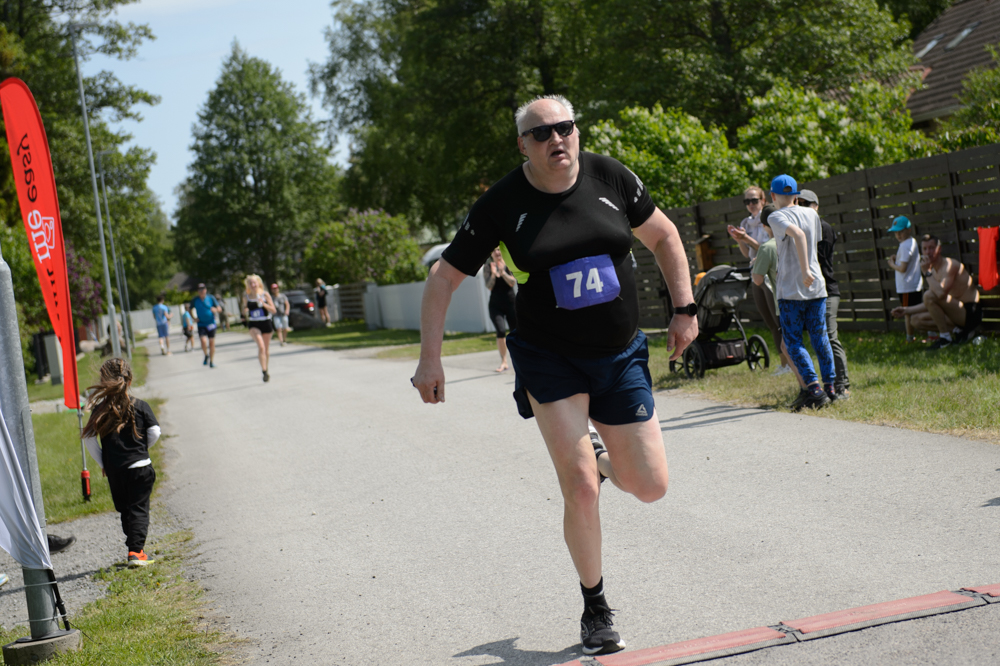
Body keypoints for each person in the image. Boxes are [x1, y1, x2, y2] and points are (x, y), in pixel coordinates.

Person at [412, 95, 697, 656]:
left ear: (577, 131)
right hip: (549, 357)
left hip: (619, 354)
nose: (555, 139)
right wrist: (430, 358)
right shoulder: (501, 203)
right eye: (540, 133)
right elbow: (443, 277)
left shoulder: (610, 177)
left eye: (564, 128)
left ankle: (605, 460)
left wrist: (685, 309)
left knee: (651, 486)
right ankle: (596, 608)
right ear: (523, 145)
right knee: (580, 486)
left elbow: (664, 236)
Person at [82, 357, 160, 568]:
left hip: (115, 471)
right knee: (138, 509)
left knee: (126, 510)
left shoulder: (99, 410)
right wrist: (141, 449)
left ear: (104, 381)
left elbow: (89, 439)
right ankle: (136, 551)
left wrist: (104, 462)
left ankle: (134, 548)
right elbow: (155, 432)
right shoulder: (140, 405)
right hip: (140, 467)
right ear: (129, 380)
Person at [766, 174, 835, 410]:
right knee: (820, 338)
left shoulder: (776, 216)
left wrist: (804, 269)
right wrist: (809, 269)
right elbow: (813, 242)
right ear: (796, 195)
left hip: (791, 290)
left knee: (793, 342)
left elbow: (799, 235)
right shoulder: (812, 214)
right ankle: (831, 387)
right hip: (816, 287)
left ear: (773, 195)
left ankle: (814, 389)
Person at [798, 190, 850, 400]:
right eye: (798, 204)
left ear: (816, 206)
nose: (802, 207)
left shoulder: (823, 227)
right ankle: (817, 386)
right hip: (807, 293)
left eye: (806, 204)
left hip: (827, 291)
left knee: (829, 335)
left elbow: (815, 259)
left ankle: (842, 385)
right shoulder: (798, 228)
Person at [891, 234, 982, 349]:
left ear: (939, 249)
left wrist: (926, 273)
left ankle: (945, 338)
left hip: (969, 312)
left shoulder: (950, 265)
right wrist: (906, 310)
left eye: (931, 248)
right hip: (953, 312)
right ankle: (960, 332)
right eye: (925, 249)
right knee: (915, 320)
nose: (928, 252)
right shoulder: (933, 271)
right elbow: (930, 302)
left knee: (928, 294)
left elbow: (940, 294)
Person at [749, 205, 796, 376]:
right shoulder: (795, 240)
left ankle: (787, 365)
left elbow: (758, 279)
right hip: (799, 294)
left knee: (777, 328)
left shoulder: (767, 247)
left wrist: (757, 265)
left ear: (764, 226)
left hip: (777, 295)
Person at [885, 216, 923, 342]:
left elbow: (902, 268)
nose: (898, 235)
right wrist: (897, 258)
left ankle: (910, 338)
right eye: (896, 232)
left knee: (906, 313)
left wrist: (891, 264)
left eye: (901, 231)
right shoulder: (911, 242)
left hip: (906, 287)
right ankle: (931, 334)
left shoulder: (904, 246)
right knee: (918, 310)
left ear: (909, 230)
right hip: (914, 284)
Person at [484, 247, 518, 372]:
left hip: (510, 304)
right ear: (491, 254)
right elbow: (489, 286)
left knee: (515, 331)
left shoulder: (508, 264)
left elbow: (513, 282)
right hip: (495, 305)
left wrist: (503, 273)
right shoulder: (488, 267)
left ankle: (518, 360)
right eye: (494, 251)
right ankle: (504, 362)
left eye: (498, 250)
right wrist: (494, 274)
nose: (497, 252)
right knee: (501, 330)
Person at [242, 274, 277, 382]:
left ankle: (266, 368)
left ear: (258, 283)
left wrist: (264, 304)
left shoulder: (265, 294)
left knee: (266, 349)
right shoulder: (246, 297)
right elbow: (244, 310)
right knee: (261, 347)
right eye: (250, 283)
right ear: (248, 285)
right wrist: (245, 311)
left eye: (254, 282)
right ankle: (264, 371)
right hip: (254, 324)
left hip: (266, 322)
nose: (253, 285)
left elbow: (273, 310)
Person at [191, 283, 221, 368]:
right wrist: (193, 318)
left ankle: (211, 361)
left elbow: (219, 309)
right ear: (198, 291)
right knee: (203, 341)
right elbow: (189, 309)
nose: (201, 291)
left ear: (206, 290)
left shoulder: (211, 298)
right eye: (199, 289)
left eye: (203, 289)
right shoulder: (195, 300)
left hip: (211, 323)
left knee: (211, 342)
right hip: (201, 324)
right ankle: (206, 355)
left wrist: (215, 309)